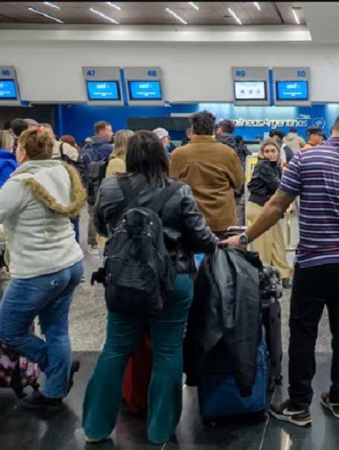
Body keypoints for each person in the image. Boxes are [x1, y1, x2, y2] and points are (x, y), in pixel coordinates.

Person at [224, 107, 339, 427]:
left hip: (313, 263)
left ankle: (299, 405)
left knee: (303, 333)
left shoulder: (305, 160)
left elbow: (276, 206)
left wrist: (244, 238)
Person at [83, 131, 219, 445]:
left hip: (124, 280)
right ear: (163, 157)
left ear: (129, 157)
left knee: (115, 349)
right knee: (168, 351)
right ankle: (159, 431)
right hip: (173, 279)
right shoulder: (178, 190)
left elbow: (102, 226)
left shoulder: (110, 186)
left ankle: (95, 428)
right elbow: (201, 239)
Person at [0, 127, 86, 411]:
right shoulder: (62, 173)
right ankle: (54, 393)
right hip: (70, 263)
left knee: (7, 329)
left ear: (23, 151)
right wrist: (2, 232)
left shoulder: (22, 182)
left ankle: (56, 370)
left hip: (40, 271)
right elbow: (36, 216)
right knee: (57, 331)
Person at [170, 111, 244, 237]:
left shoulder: (179, 154)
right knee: (223, 255)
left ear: (193, 130)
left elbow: (171, 185)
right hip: (223, 220)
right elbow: (239, 183)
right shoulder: (227, 153)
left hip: (191, 219)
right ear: (214, 130)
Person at [246, 139, 293, 287]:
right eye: (267, 151)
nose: (270, 154)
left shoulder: (275, 167)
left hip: (268, 208)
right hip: (259, 208)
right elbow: (277, 186)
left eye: (273, 151)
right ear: (262, 153)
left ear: (278, 152)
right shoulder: (264, 165)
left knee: (277, 243)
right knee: (264, 246)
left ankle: (283, 274)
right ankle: (262, 277)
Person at [79, 121, 114, 255]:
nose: (112, 133)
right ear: (102, 132)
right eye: (110, 130)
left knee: (92, 215)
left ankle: (92, 243)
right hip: (103, 186)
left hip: (88, 187)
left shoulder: (85, 147)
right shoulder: (107, 149)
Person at [216, 119, 250, 227]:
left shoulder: (214, 145)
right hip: (232, 191)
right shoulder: (236, 147)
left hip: (215, 192)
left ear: (219, 130)